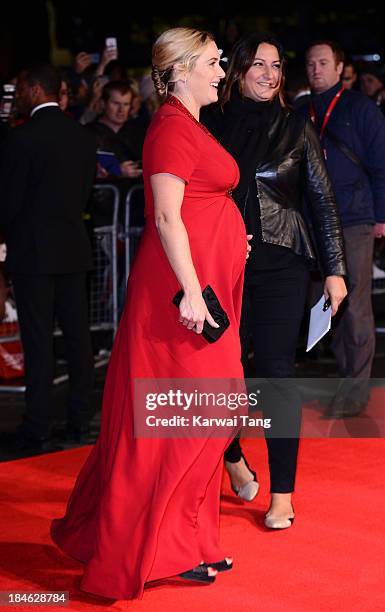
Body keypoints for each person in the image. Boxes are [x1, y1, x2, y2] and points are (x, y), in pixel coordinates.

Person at [51, 27, 249, 600]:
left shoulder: (189, 126)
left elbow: (202, 206)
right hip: (179, 304)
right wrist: (191, 291)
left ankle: (189, 539)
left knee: (207, 419)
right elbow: (166, 219)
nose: (221, 72)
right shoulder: (167, 129)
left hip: (205, 292)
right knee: (183, 425)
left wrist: (232, 243)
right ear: (182, 69)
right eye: (213, 63)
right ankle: (156, 548)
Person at [203, 34, 347, 528]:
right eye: (258, 64)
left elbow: (324, 201)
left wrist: (335, 270)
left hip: (284, 264)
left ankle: (282, 493)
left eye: (276, 65)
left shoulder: (295, 126)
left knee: (275, 374)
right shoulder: (210, 123)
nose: (268, 73)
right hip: (223, 269)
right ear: (238, 70)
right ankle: (232, 456)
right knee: (225, 377)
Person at [0, 64, 96, 451]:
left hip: (34, 255)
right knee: (78, 342)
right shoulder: (82, 136)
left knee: (39, 343)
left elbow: (9, 203)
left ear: (36, 90)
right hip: (74, 249)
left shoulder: (21, 140)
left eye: (22, 87)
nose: (18, 95)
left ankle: (38, 424)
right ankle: (78, 421)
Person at [304, 41, 385, 417]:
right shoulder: (300, 110)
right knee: (327, 305)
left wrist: (381, 216)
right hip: (315, 221)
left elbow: (382, 165)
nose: (316, 69)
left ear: (340, 68)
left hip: (354, 218)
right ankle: (344, 383)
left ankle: (356, 391)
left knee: (354, 305)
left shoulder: (360, 109)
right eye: (310, 64)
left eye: (323, 63)